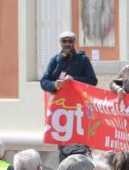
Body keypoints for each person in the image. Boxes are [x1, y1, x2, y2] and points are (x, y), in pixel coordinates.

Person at [40, 31, 98, 160]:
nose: (67, 44)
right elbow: (44, 81)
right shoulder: (55, 60)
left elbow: (92, 80)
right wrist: (56, 85)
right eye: (64, 41)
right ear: (60, 43)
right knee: (63, 144)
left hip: (78, 109)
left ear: (74, 43)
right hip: (60, 110)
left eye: (70, 41)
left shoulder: (82, 59)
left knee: (81, 143)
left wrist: (74, 80)